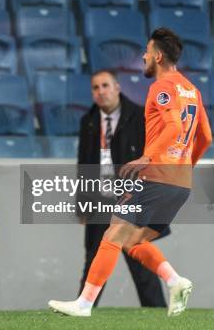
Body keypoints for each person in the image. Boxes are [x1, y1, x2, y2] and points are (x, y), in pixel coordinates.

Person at [49, 28, 213, 317]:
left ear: (158, 56)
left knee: (113, 234)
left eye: (147, 53)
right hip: (180, 184)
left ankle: (84, 304)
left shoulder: (162, 87)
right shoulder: (192, 90)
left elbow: (174, 126)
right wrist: (186, 166)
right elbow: (206, 138)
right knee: (133, 241)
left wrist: (147, 157)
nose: (143, 57)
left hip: (158, 175)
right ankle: (176, 281)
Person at [76, 70, 168, 308]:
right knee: (94, 258)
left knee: (139, 260)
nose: (101, 91)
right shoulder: (88, 121)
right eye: (95, 88)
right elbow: (84, 163)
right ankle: (83, 308)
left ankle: (156, 312)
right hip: (100, 201)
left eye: (105, 85)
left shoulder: (139, 117)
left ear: (117, 87)